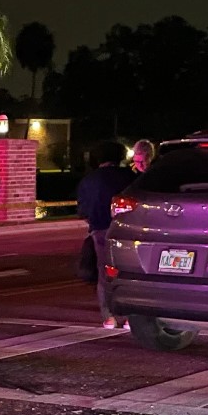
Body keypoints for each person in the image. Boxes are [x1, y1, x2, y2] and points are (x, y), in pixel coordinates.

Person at [74, 140, 140, 328]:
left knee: (104, 274)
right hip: (125, 231)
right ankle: (129, 316)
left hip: (100, 230)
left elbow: (83, 210)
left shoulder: (89, 179)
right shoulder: (129, 176)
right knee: (129, 273)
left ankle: (108, 316)